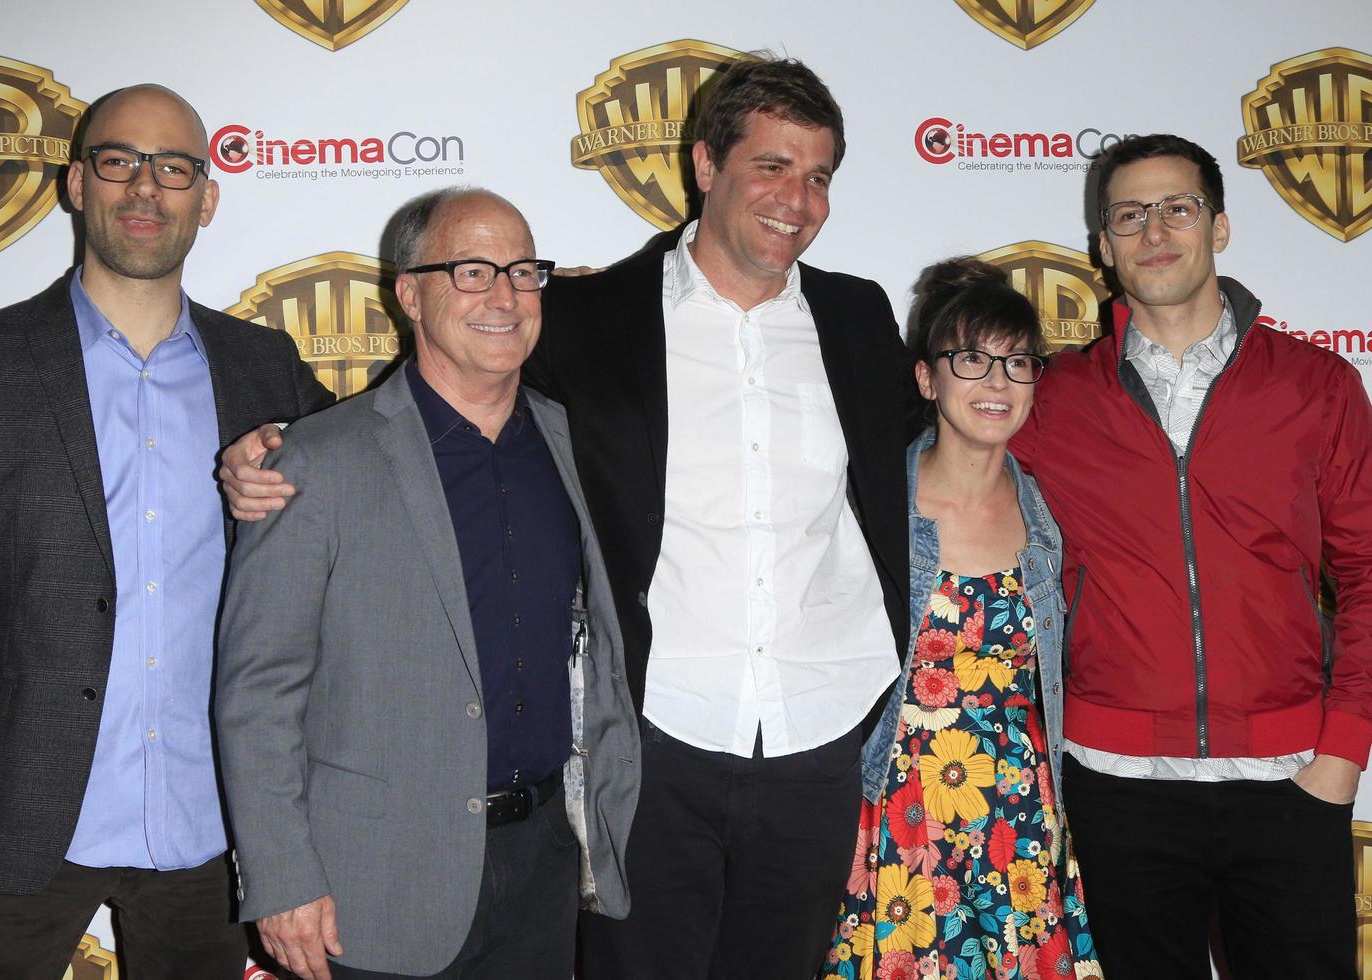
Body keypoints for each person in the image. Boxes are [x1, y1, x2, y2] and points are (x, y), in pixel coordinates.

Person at [220, 55, 918, 978]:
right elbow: (438, 401)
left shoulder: (859, 316)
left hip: (819, 744)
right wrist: (271, 444)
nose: (797, 198)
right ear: (707, 166)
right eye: (772, 166)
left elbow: (934, 455)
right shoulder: (590, 316)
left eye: (819, 175)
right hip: (656, 744)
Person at [0, 84, 333, 979]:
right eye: (119, 161)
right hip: (15, 825)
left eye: (174, 168)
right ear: (75, 184)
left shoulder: (267, 369)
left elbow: (373, 479)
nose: (146, 187)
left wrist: (297, 448)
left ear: (206, 198)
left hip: (214, 823)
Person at [213, 188, 640, 980]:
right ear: (409, 292)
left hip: (544, 868)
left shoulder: (575, 442)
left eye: (522, 270)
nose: (504, 296)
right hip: (370, 885)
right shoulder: (314, 462)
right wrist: (280, 878)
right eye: (472, 270)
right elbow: (257, 691)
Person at [1012, 133, 1372, 977]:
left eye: (1179, 208)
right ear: (1103, 247)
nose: (1155, 232)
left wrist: (1344, 748)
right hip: (1115, 785)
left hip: (1291, 780)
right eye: (1129, 215)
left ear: (1219, 227)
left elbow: (1366, 575)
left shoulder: (1316, 386)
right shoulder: (1054, 399)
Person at [824, 260, 1099, 980]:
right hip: (896, 804)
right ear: (926, 378)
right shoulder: (872, 502)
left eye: (1017, 363)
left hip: (1018, 811)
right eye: (972, 359)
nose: (997, 383)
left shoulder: (1049, 512)